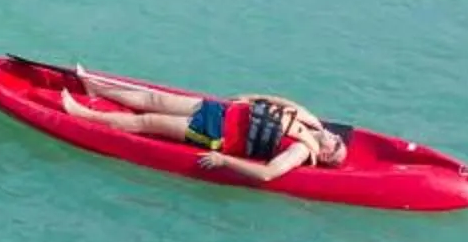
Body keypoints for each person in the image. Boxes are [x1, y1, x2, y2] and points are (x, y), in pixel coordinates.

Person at [60, 70, 347, 182]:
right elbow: (281, 102)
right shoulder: (311, 121)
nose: (335, 137)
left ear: (322, 155)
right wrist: (249, 97)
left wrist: (224, 160)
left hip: (216, 135)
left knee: (146, 122)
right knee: (154, 98)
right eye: (339, 140)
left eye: (335, 145)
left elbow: (268, 174)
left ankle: (83, 115)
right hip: (221, 111)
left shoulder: (300, 150)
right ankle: (97, 90)